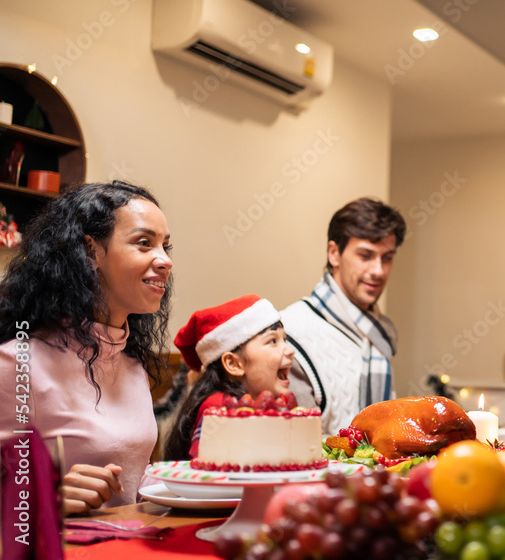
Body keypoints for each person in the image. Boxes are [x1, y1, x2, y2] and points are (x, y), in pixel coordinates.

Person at [0, 181, 173, 513]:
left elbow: (130, 483)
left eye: (166, 246)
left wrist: (188, 483)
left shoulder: (131, 364)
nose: (164, 260)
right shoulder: (17, 365)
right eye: (144, 243)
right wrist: (45, 499)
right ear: (90, 252)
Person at [281, 198, 406, 434]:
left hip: (372, 471)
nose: (378, 271)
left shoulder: (378, 334)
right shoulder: (290, 332)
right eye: (366, 256)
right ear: (334, 254)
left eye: (387, 257)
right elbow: (294, 442)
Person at [162, 295, 293, 460]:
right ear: (233, 364)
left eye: (285, 339)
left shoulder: (261, 405)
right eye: (273, 341)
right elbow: (209, 472)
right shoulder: (217, 407)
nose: (289, 350)